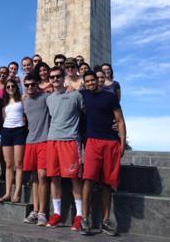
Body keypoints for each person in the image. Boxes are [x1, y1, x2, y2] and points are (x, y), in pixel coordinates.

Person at [80, 71, 126, 236]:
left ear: (98, 81)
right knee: (88, 180)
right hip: (92, 141)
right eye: (88, 81)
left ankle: (105, 221)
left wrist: (122, 143)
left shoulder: (110, 96)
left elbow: (120, 120)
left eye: (93, 80)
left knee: (107, 183)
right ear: (84, 83)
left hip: (111, 142)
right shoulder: (82, 94)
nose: (91, 83)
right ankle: (84, 219)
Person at [45, 66, 84, 230]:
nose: (55, 79)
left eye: (57, 76)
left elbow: (88, 114)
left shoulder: (76, 95)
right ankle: (57, 213)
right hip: (52, 140)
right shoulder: (49, 98)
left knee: (74, 178)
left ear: (63, 77)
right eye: (52, 77)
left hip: (70, 141)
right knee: (54, 178)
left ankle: (80, 215)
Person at [22, 74, 50, 226]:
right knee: (34, 178)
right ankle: (35, 210)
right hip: (30, 141)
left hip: (44, 141)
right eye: (27, 85)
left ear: (37, 84)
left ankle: (42, 213)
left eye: (32, 84)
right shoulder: (24, 101)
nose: (30, 87)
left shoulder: (46, 97)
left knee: (42, 175)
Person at [0, 79, 26, 203]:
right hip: (6, 131)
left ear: (16, 87)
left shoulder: (22, 99)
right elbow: (4, 118)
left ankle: (17, 193)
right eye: (8, 87)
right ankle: (7, 193)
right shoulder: (4, 103)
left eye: (12, 86)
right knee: (8, 164)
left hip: (19, 130)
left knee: (19, 163)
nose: (10, 88)